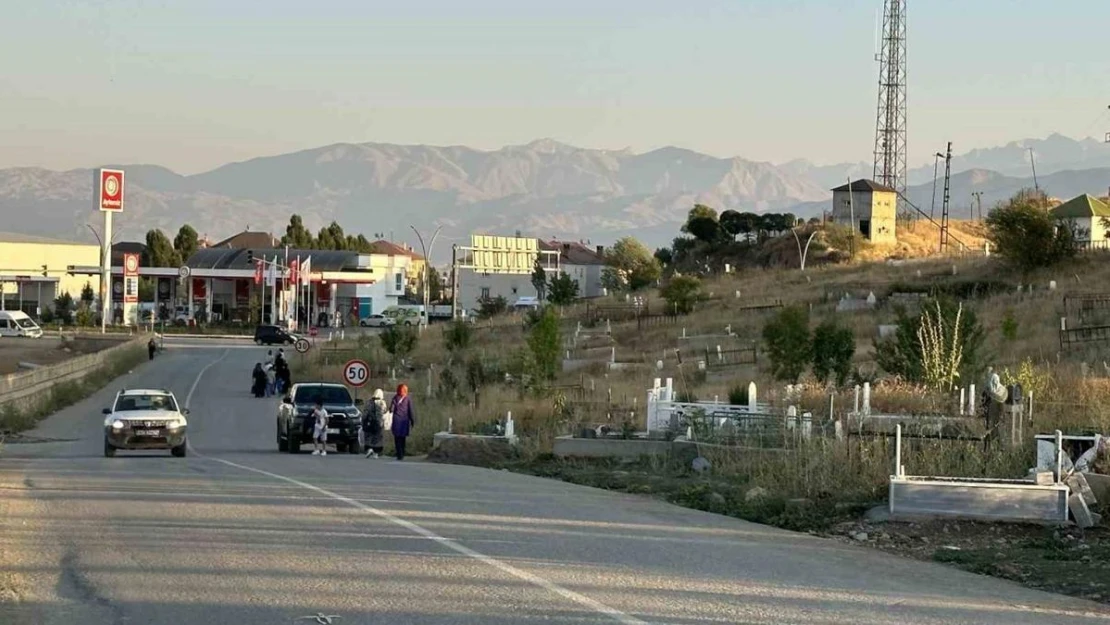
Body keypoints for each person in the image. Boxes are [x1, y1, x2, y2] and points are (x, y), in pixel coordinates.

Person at [389, 383, 416, 461]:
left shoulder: (395, 398)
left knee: (397, 438)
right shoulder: (408, 399)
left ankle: (399, 454)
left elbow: (391, 409)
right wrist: (412, 420)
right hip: (404, 421)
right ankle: (402, 453)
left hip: (396, 420)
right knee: (403, 438)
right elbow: (410, 411)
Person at [363, 389, 386, 458]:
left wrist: (363, 421)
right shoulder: (382, 402)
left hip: (370, 422)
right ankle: (376, 452)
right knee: (377, 437)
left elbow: (365, 412)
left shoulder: (369, 402)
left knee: (369, 436)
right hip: (379, 422)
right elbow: (384, 411)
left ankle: (369, 449)